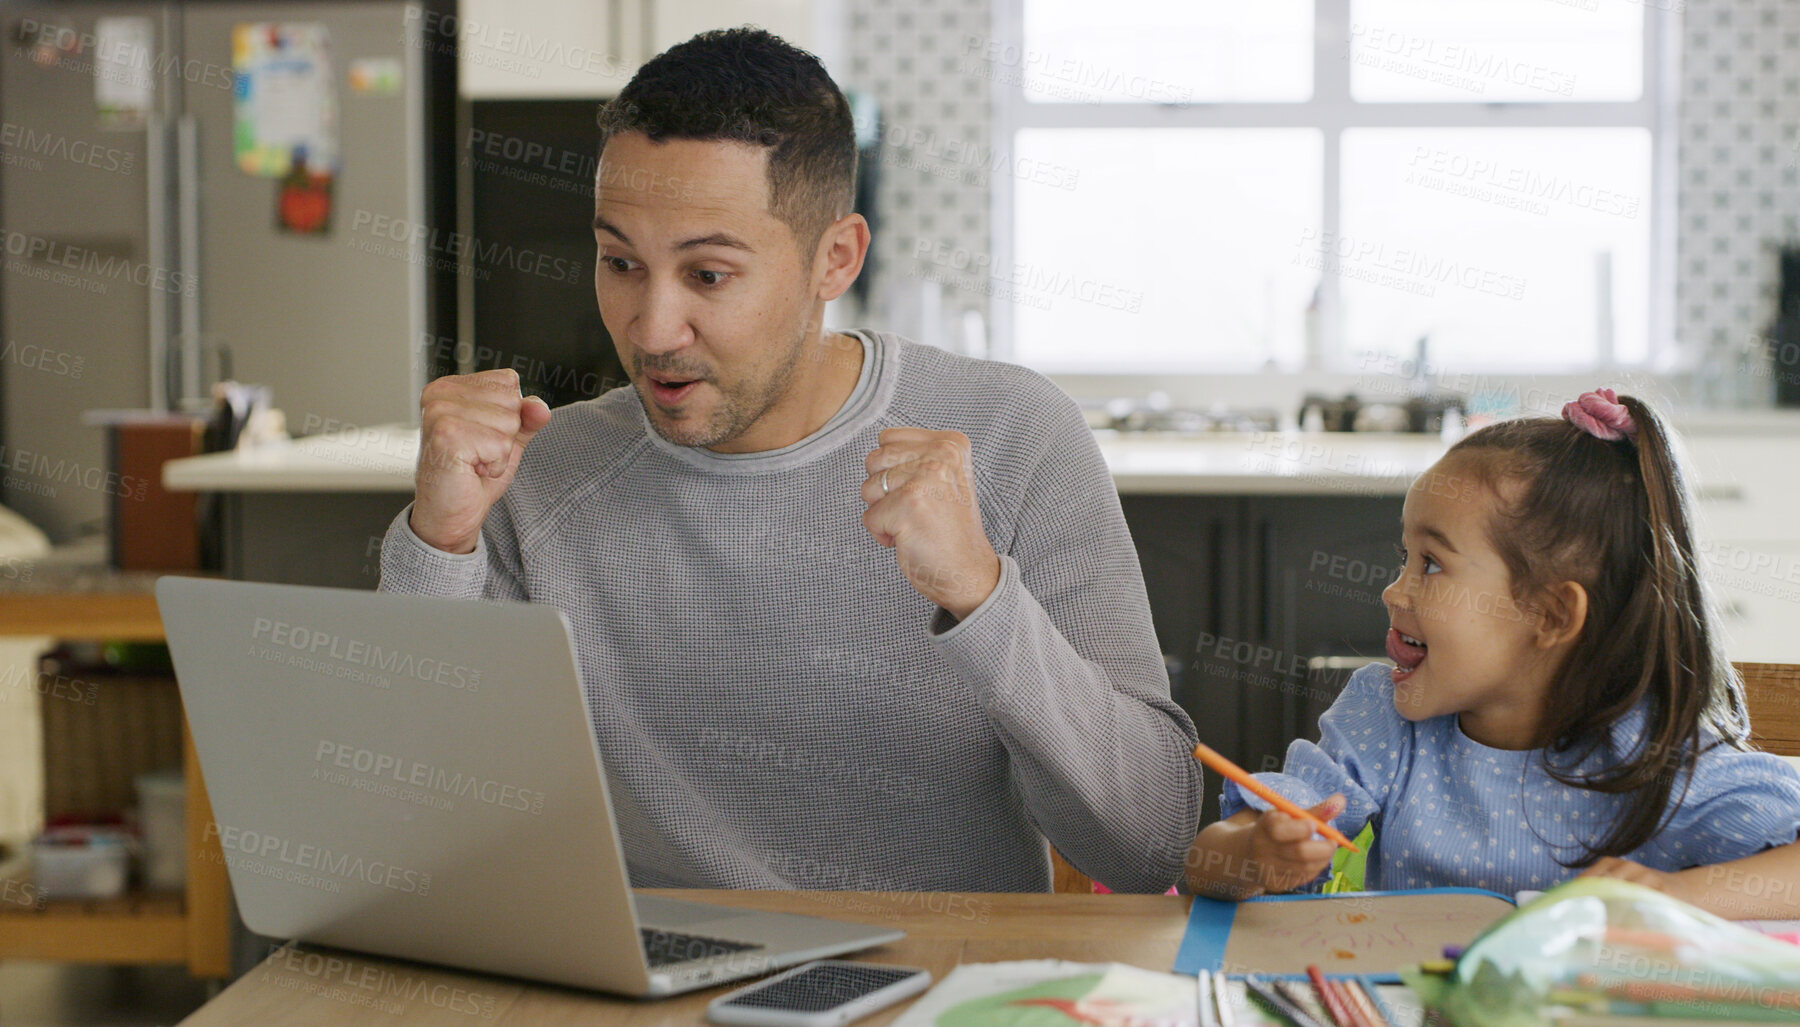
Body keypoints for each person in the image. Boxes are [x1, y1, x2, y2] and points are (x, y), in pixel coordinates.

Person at [377, 28, 1199, 893]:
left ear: (834, 258)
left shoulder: (1013, 436)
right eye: (620, 262)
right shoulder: (537, 475)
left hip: (942, 989)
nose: (651, 330)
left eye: (708, 275)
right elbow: (417, 838)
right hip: (652, 990)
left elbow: (1147, 843)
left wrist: (982, 595)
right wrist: (437, 546)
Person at [1184, 389, 1800, 920]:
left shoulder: (1654, 752)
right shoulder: (1383, 719)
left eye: (1430, 564)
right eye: (1404, 556)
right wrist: (1254, 853)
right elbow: (1205, 859)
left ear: (1550, 614)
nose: (1393, 591)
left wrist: (1674, 893)